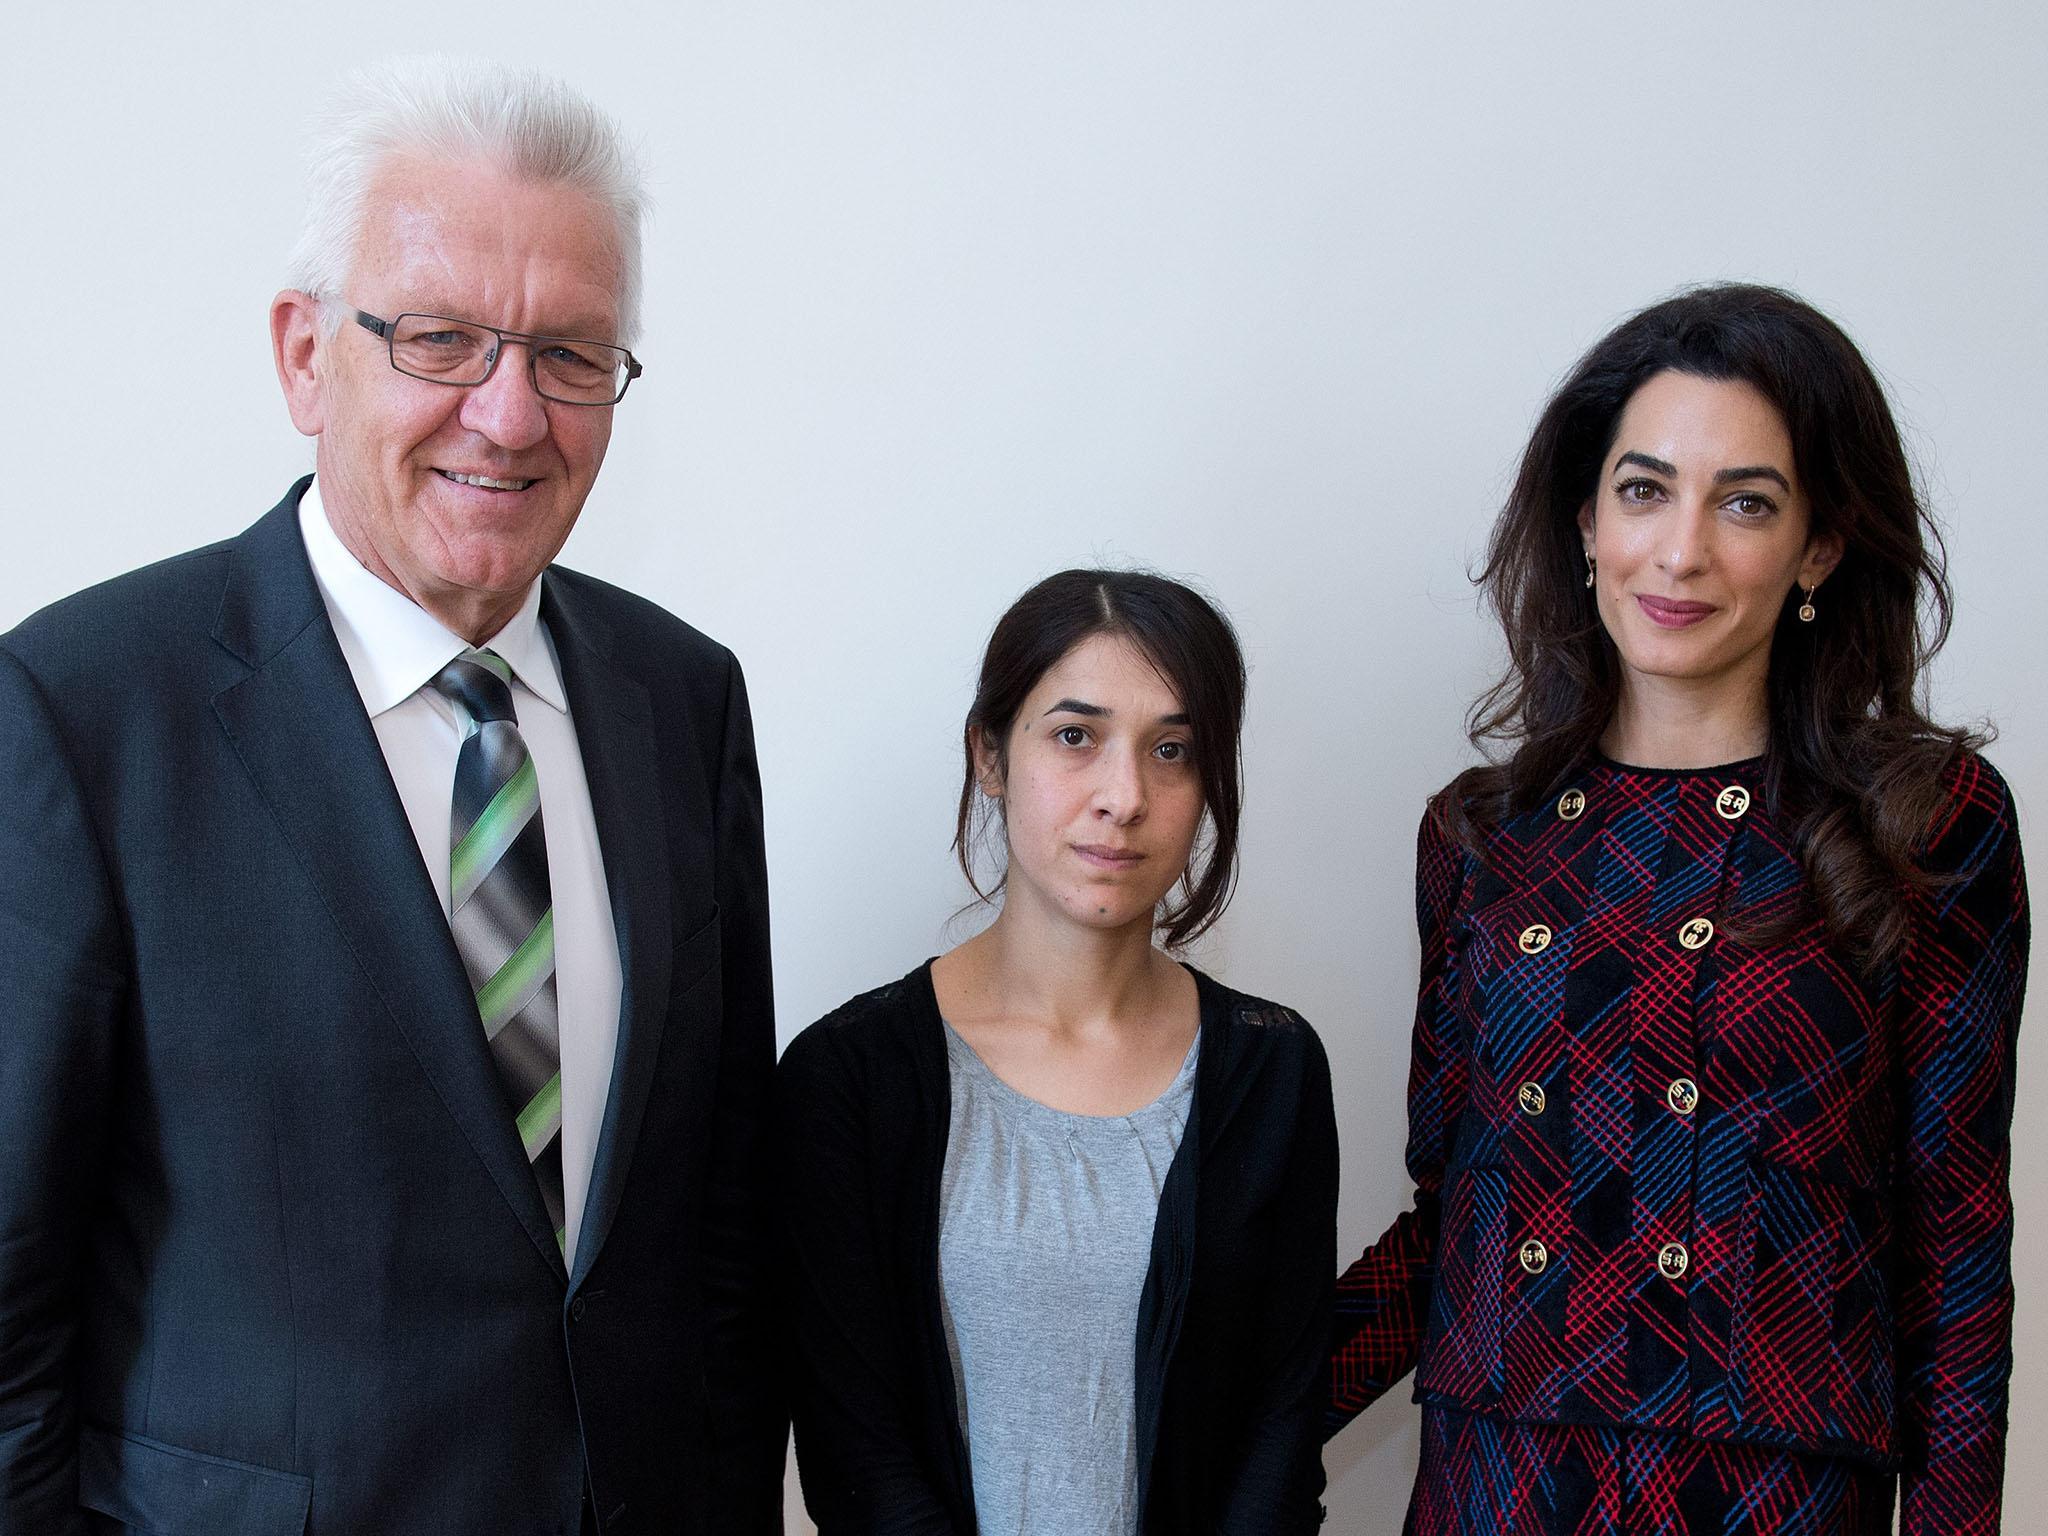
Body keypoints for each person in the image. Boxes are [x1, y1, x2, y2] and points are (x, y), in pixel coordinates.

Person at [0, 59, 781, 1535]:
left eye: (570, 355)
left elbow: (719, 1241)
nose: (508, 414)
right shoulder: (79, 710)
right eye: (439, 339)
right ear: (305, 356)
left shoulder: (686, 700)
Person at [1326, 284, 2029, 1533]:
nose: (1680, 550)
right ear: (1585, 519)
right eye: (1643, 490)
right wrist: (1205, 1408)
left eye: (1744, 502)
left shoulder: (1924, 821)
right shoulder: (1481, 838)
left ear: (1817, 545)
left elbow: (1955, 1243)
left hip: (1766, 1497)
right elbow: (1451, 1225)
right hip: (1497, 1489)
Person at [779, 570, 1337, 1534]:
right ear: (989, 754)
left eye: (1173, 750)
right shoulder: (848, 1076)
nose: (1124, 796)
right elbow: (853, 1448)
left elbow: (1280, 1432)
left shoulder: (1271, 1069)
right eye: (1075, 736)